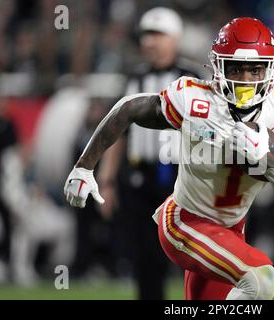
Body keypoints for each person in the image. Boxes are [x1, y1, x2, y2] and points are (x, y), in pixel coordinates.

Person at [64, 17, 274, 300]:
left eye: (255, 70)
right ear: (218, 67)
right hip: (185, 221)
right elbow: (128, 108)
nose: (245, 80)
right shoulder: (196, 101)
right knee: (262, 281)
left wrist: (266, 155)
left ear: (271, 69)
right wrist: (84, 167)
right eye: (236, 68)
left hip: (231, 229)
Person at [97, 7, 204, 299]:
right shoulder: (133, 79)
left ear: (175, 38)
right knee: (145, 260)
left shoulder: (194, 79)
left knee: (196, 257)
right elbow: (117, 134)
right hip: (140, 178)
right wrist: (106, 180)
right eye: (146, 35)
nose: (150, 42)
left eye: (157, 34)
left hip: (186, 178)